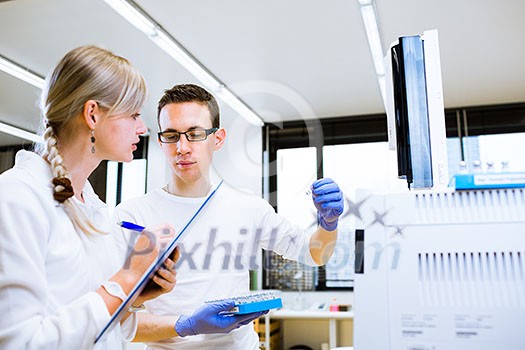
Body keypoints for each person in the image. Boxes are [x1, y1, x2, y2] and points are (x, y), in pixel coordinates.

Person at [0, 46, 264, 350]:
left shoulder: (93, 208)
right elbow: (19, 342)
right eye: (134, 115)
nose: (142, 128)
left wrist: (139, 296)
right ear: (93, 114)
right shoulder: (17, 198)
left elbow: (98, 321)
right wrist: (127, 277)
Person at [114, 83, 344, 349]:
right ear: (160, 140)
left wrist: (328, 224)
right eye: (172, 135)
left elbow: (314, 253)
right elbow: (119, 322)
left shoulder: (247, 206)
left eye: (195, 134)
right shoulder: (132, 215)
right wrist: (186, 324)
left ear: (218, 138)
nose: (183, 147)